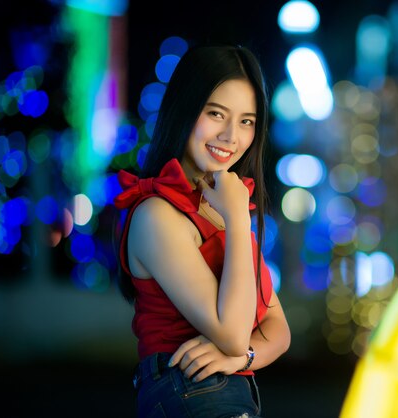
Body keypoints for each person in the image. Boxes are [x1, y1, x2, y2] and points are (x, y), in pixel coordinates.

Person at [113, 44, 291, 418]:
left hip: (226, 393)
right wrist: (240, 219)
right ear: (184, 109)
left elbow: (278, 329)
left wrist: (243, 356)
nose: (231, 136)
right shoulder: (157, 214)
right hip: (191, 393)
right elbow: (231, 332)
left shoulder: (221, 207)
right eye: (215, 114)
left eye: (246, 121)